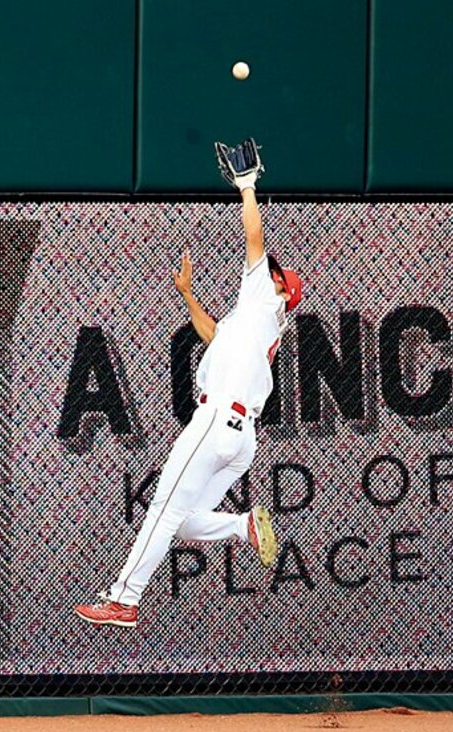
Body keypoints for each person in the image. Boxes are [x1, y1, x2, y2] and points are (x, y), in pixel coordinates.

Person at [74, 174, 304, 627]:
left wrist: (247, 187)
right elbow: (213, 335)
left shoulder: (265, 302)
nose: (267, 272)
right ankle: (243, 527)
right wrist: (188, 297)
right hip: (242, 440)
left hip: (217, 420)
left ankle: (123, 598)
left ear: (281, 291)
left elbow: (253, 237)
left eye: (276, 277)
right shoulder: (256, 324)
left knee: (162, 509)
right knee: (183, 521)